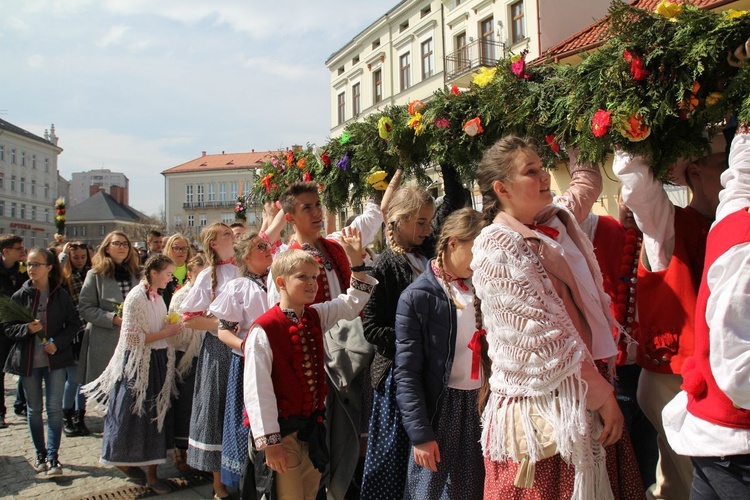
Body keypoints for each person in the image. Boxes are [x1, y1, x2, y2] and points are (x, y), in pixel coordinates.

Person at [471, 136, 625, 498]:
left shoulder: (555, 218)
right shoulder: (498, 243)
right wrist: (602, 397)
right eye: (531, 171)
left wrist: (577, 128)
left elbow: (585, 184)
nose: (543, 177)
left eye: (543, 168)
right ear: (502, 188)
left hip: (583, 386)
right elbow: (545, 339)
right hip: (547, 402)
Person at [613, 130, 726, 499]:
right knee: (701, 484)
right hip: (676, 380)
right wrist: (630, 125)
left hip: (708, 381)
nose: (733, 173)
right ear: (694, 172)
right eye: (723, 165)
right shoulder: (668, 225)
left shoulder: (729, 223)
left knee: (676, 484)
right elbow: (640, 189)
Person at [266, 182, 383, 498]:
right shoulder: (285, 263)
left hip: (351, 353)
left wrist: (375, 196)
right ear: (289, 217)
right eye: (308, 207)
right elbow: (277, 323)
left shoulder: (333, 247)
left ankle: (350, 488)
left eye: (318, 205)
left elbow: (352, 301)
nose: (318, 212)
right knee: (324, 438)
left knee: (355, 430)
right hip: (314, 362)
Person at [361, 162, 468, 500]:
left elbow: (457, 200)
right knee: (397, 457)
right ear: (397, 221)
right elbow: (371, 327)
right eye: (420, 222)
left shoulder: (429, 252)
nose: (426, 229)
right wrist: (414, 341)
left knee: (435, 458)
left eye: (428, 221)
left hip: (433, 372)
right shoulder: (383, 265)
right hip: (398, 375)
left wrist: (448, 155)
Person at [244, 238, 377, 500]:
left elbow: (353, 302)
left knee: (310, 493)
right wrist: (271, 444)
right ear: (281, 282)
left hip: (312, 431)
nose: (312, 283)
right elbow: (258, 392)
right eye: (302, 277)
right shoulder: (264, 330)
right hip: (283, 435)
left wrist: (356, 262)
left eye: (315, 277)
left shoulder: (315, 315)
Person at [661, 116, 750, 497]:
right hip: (720, 418)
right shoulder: (678, 223)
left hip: (712, 407)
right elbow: (737, 365)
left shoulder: (731, 214)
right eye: (718, 162)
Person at [394, 208, 486, 499]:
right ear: (453, 243)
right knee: (431, 492)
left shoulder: (484, 287)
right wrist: (421, 434)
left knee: (475, 489)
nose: (482, 259)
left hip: (480, 406)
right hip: (441, 408)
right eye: (476, 249)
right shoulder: (417, 296)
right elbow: (407, 372)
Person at [83, 254, 181, 495]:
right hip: (139, 366)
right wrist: (166, 331)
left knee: (153, 418)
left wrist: (167, 328)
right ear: (155, 272)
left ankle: (150, 472)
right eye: (168, 273)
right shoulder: (137, 297)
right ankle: (132, 465)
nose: (171, 278)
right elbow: (133, 338)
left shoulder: (157, 296)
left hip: (155, 361)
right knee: (135, 417)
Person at [4, 247, 81, 476]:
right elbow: (8, 328)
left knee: (54, 409)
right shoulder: (20, 295)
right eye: (28, 264)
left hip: (54, 362)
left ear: (48, 267)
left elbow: (74, 324)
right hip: (28, 363)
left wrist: (57, 343)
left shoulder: (60, 294)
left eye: (36, 264)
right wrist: (26, 329)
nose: (31, 269)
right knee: (34, 410)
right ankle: (40, 454)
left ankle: (53, 456)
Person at [209, 232, 275, 490]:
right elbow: (223, 331)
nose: (267, 249)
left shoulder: (276, 279)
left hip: (277, 360)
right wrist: (246, 346)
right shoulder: (238, 287)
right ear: (247, 257)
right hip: (248, 363)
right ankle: (249, 483)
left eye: (266, 245)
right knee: (247, 424)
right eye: (261, 247)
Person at [180, 223, 239, 500]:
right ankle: (218, 484)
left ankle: (244, 473)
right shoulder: (208, 275)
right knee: (219, 408)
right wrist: (222, 324)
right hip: (219, 350)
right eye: (226, 234)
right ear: (214, 243)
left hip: (245, 347)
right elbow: (190, 318)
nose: (232, 236)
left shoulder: (244, 267)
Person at [77, 231, 141, 385]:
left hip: (134, 338)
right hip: (105, 339)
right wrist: (113, 319)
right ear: (107, 248)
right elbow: (85, 307)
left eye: (125, 244)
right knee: (107, 391)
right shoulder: (95, 275)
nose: (122, 247)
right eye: (117, 243)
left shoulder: (137, 274)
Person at [167, 253, 206, 472]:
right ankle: (180, 452)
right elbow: (175, 326)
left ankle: (197, 451)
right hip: (185, 356)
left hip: (204, 354)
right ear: (189, 275)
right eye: (198, 275)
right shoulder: (182, 295)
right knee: (183, 405)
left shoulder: (212, 293)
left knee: (198, 405)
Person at [60, 241, 93, 437]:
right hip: (72, 332)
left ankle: (80, 416)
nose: (80, 261)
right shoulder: (64, 277)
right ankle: (67, 416)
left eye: (83, 257)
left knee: (83, 380)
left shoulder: (90, 274)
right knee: (73, 378)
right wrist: (63, 254)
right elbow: (55, 269)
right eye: (75, 257)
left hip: (87, 331)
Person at [0, 234, 29, 428]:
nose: (23, 251)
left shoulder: (24, 270)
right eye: (19, 248)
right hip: (1, 327)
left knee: (25, 367)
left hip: (21, 325)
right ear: (6, 251)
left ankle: (24, 404)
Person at [162, 233, 194, 309]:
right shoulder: (162, 271)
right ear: (168, 249)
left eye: (184, 249)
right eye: (176, 248)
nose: (180, 252)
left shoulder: (194, 270)